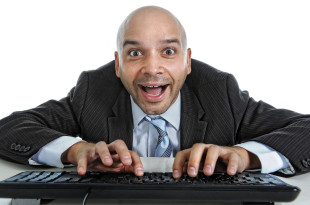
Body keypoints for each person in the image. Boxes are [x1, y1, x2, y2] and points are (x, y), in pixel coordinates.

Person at [0, 6, 309, 179]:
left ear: (187, 62)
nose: (152, 68)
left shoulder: (220, 93)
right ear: (117, 64)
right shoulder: (94, 91)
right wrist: (76, 151)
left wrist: (245, 156)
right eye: (135, 54)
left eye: (168, 52)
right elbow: (10, 128)